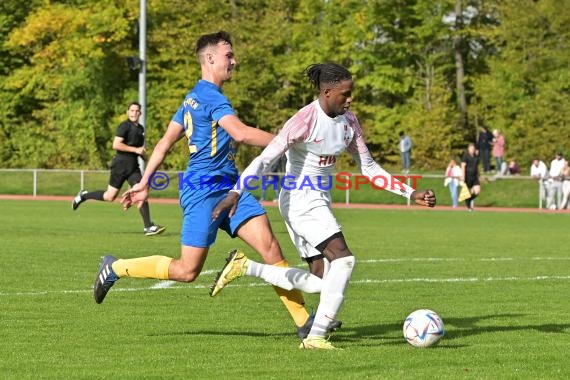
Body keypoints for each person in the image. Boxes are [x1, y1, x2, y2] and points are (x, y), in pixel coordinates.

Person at [93, 31, 319, 339]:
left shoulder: (193, 97)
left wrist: (145, 183)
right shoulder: (209, 97)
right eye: (229, 56)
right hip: (202, 191)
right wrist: (289, 140)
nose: (234, 61)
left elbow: (162, 144)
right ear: (210, 58)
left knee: (269, 246)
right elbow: (239, 133)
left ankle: (305, 323)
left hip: (230, 188)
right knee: (187, 271)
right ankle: (116, 267)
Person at [209, 63, 436, 349]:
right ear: (327, 92)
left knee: (321, 281)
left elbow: (368, 167)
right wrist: (236, 191)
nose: (350, 99)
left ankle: (246, 267)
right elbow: (265, 159)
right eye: (345, 94)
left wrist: (410, 192)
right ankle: (315, 337)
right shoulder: (303, 120)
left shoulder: (349, 122)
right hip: (300, 201)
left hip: (318, 202)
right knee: (344, 259)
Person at [71, 102, 165, 236]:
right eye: (131, 110)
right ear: (128, 112)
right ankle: (84, 195)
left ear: (140, 113)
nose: (134, 113)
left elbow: (138, 151)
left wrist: (145, 157)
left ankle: (148, 226)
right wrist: (136, 149)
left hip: (133, 167)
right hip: (120, 165)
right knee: (110, 196)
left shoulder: (140, 129)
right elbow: (116, 145)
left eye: (137, 111)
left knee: (141, 190)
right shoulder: (124, 126)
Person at [461, 143, 480, 211]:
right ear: (468, 149)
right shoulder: (465, 156)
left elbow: (477, 167)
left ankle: (468, 200)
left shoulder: (476, 156)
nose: (472, 150)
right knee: (468, 192)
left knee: (477, 191)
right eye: (471, 148)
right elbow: (463, 166)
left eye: (473, 148)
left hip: (475, 176)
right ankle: (469, 207)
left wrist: (478, 175)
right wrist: (463, 176)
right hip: (468, 176)